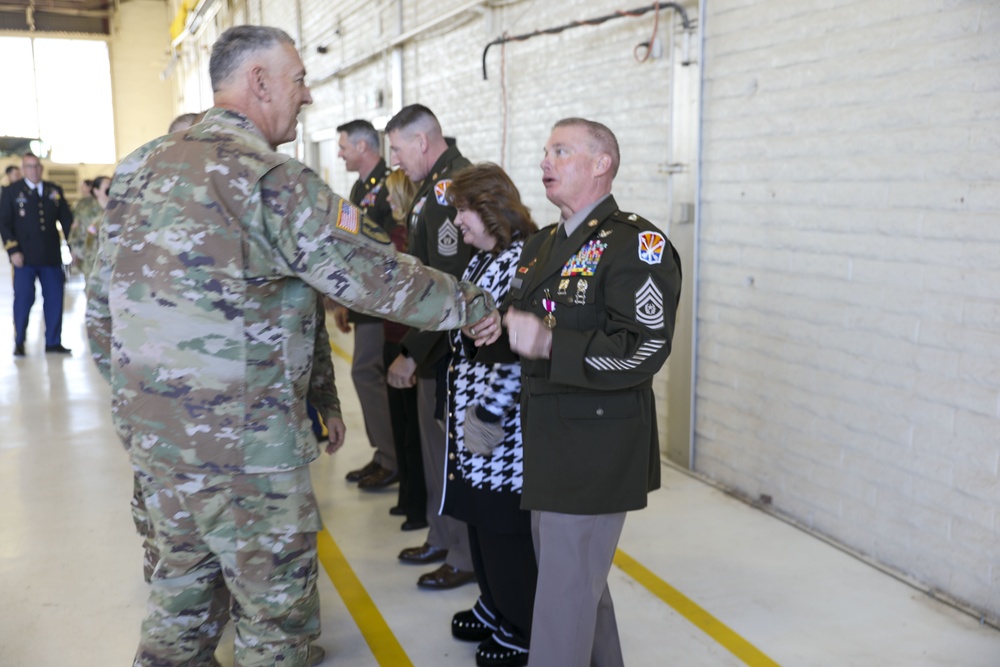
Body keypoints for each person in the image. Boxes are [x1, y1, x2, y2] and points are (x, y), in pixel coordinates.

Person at [85, 25, 499, 667]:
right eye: (299, 79)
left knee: (179, 615)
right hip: (247, 460)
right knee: (276, 633)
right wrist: (478, 306)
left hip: (158, 449)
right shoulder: (271, 179)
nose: (305, 97)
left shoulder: (140, 167)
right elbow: (373, 277)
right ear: (258, 81)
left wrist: (153, 411)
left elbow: (101, 314)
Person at [503, 118, 682, 667]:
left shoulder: (637, 245)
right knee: (578, 587)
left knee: (564, 597)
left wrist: (552, 344)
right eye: (545, 151)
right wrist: (498, 329)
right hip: (548, 441)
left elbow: (645, 345)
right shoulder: (541, 244)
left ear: (601, 163)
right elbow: (526, 323)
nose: (545, 162)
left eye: (561, 151)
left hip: (595, 451)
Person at [440, 163, 539, 667]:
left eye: (463, 210)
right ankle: (495, 601)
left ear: (490, 208)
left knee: (504, 530)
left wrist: (489, 414)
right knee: (479, 522)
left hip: (500, 427)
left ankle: (520, 624)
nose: (458, 221)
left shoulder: (523, 262)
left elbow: (520, 355)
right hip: (474, 418)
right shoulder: (483, 259)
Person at [385, 103, 477, 590]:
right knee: (434, 451)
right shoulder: (434, 185)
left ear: (422, 141)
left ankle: (461, 554)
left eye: (398, 148)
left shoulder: (448, 189)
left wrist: (414, 352)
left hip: (446, 351)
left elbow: (448, 285)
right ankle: (443, 538)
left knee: (448, 455)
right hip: (435, 346)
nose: (395, 160)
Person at [330, 119, 399, 490]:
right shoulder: (361, 187)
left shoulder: (389, 187)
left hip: (382, 300)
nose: (339, 153)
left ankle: (393, 458)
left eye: (343, 146)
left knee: (365, 372)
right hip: (364, 297)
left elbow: (388, 249)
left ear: (362, 146)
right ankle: (384, 453)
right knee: (367, 373)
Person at [0, 152, 74, 356]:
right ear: (23, 169)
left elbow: (66, 221)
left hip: (51, 256)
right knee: (24, 299)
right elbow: (4, 223)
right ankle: (20, 340)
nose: (34, 170)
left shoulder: (53, 190)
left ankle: (53, 341)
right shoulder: (12, 192)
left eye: (37, 166)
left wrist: (73, 247)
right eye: (29, 166)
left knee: (55, 298)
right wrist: (13, 250)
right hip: (24, 258)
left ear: (41, 168)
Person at [68, 175, 109, 282]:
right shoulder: (85, 212)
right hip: (92, 265)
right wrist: (83, 255)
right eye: (107, 188)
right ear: (96, 191)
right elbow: (75, 237)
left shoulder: (118, 210)